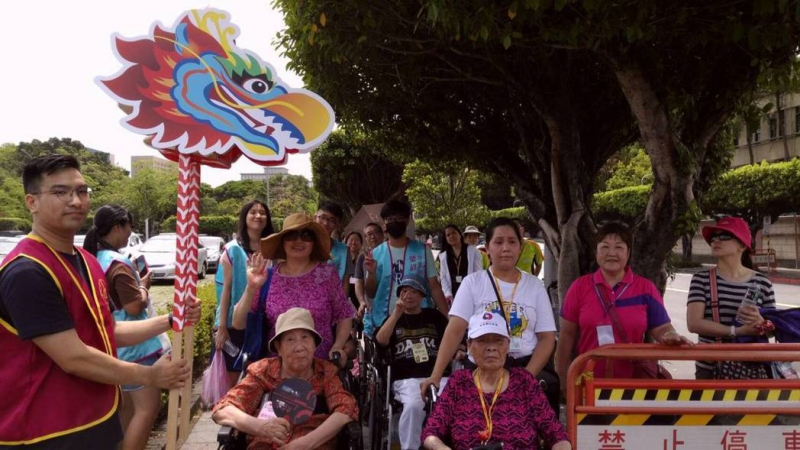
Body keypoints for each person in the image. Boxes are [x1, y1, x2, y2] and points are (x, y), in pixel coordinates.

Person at [0, 155, 196, 448]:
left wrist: (170, 319)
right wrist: (150, 375)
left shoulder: (88, 263)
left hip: (96, 419)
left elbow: (107, 332)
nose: (75, 200)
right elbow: (73, 357)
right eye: (60, 192)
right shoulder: (27, 271)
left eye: (81, 191)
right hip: (44, 431)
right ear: (32, 202)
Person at [421, 217, 559, 413]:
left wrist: (526, 378)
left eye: (512, 242)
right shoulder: (472, 283)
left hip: (524, 367)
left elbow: (546, 338)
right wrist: (435, 376)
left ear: (521, 247)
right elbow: (454, 331)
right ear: (487, 248)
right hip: (480, 370)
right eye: (499, 241)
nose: (506, 248)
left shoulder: (535, 286)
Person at [556, 222, 692, 387]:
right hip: (588, 383)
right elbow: (566, 335)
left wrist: (670, 336)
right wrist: (562, 379)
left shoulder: (645, 288)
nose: (611, 253)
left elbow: (662, 328)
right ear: (596, 252)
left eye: (619, 247)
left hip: (632, 385)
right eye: (605, 247)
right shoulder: (580, 287)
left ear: (628, 253)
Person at [83, 205, 167, 450]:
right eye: (129, 226)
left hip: (113, 346)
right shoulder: (118, 263)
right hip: (138, 348)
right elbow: (133, 307)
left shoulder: (93, 259)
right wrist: (142, 286)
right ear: (118, 227)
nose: (131, 231)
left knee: (126, 412)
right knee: (147, 409)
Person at [421, 312, 571, 450]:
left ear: (507, 345)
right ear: (469, 346)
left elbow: (557, 435)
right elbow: (431, 432)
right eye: (483, 341)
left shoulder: (524, 381)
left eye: (498, 341)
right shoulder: (458, 382)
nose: (491, 348)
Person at [213, 308, 358, 449]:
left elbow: (346, 409)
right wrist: (261, 427)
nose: (299, 347)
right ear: (279, 347)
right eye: (290, 340)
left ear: (314, 345)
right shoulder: (263, 372)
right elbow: (223, 410)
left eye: (305, 338)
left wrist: (306, 443)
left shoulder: (326, 372)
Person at [232, 213, 356, 366]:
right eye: (291, 235)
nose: (298, 241)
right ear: (282, 242)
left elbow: (344, 314)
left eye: (306, 235)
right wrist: (251, 288)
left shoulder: (327, 275)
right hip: (276, 372)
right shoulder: (267, 277)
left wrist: (338, 345)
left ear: (314, 242)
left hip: (321, 368)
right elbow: (238, 323)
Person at [686, 216, 776, 379]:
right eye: (714, 237)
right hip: (712, 367)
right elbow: (694, 324)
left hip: (752, 366)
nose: (716, 241)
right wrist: (736, 331)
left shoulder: (762, 282)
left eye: (725, 236)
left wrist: (761, 323)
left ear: (742, 246)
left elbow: (771, 330)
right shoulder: (702, 279)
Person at [375, 274, 453, 450]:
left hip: (438, 374)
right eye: (404, 291)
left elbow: (452, 339)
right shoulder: (393, 318)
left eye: (413, 291)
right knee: (413, 405)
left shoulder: (435, 317)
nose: (408, 295)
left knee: (451, 402)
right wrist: (396, 315)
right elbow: (380, 340)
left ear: (422, 295)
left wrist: (460, 350)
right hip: (407, 377)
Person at [363, 200, 449, 336]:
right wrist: (372, 274)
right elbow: (371, 293)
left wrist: (447, 318)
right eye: (390, 218)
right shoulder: (375, 254)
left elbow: (434, 286)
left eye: (399, 218)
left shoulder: (422, 250)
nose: (394, 222)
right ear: (384, 222)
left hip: (419, 322)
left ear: (407, 220)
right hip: (384, 322)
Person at [214, 200, 274, 385]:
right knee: (234, 376)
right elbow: (225, 290)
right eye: (253, 212)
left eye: (262, 213)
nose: (258, 216)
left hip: (263, 322)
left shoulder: (273, 248)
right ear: (245, 217)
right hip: (235, 324)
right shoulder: (232, 250)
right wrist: (222, 327)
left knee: (260, 376)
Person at [438, 224, 483, 304]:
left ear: (459, 234)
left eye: (453, 233)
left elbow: (478, 273)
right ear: (446, 239)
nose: (451, 236)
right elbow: (443, 277)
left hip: (470, 293)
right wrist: (447, 293)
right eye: (448, 235)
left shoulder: (472, 250)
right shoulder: (444, 256)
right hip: (453, 295)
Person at [315, 200, 353, 292]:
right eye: (323, 217)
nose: (325, 223)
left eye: (332, 220)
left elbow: (345, 283)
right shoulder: (303, 246)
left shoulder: (344, 251)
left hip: (334, 302)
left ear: (337, 224)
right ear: (315, 217)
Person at [353, 222, 384, 319]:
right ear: (365, 238)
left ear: (382, 234)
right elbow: (358, 281)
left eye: (376, 232)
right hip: (371, 306)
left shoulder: (390, 252)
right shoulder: (363, 256)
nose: (373, 236)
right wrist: (362, 301)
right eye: (369, 234)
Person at [344, 230, 364, 312]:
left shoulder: (363, 259)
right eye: (351, 240)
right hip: (347, 295)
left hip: (360, 295)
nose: (353, 242)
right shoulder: (343, 260)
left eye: (356, 240)